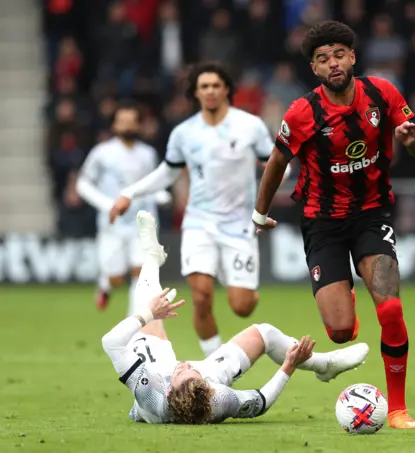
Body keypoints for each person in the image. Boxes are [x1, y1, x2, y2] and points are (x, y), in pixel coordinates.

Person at [252, 21, 415, 429]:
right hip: (322, 222)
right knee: (338, 332)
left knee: (390, 306)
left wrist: (412, 138)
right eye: (322, 59)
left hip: (371, 214)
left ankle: (399, 408)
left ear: (352, 57)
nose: (332, 63)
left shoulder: (382, 93)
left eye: (338, 54)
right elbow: (277, 162)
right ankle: (347, 310)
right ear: (314, 69)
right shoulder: (302, 112)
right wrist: (259, 212)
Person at [102, 210, 369, 424]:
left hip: (153, 375)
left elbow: (110, 342)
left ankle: (151, 257)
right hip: (186, 387)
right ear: (207, 386)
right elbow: (261, 402)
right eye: (190, 370)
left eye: (185, 371)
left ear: (170, 389)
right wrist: (288, 366)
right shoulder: (216, 400)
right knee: (262, 333)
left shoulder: (148, 390)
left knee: (148, 313)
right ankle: (324, 365)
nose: (183, 364)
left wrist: (149, 314)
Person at [109, 62, 290, 357]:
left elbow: (277, 165)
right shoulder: (185, 133)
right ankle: (215, 364)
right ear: (195, 92)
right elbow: (167, 173)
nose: (210, 91)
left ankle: (234, 279)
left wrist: (266, 200)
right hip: (199, 224)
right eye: (204, 86)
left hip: (239, 226)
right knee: (201, 296)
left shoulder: (249, 126)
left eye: (216, 85)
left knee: (242, 307)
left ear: (227, 90)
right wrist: (129, 192)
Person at [76, 100, 171, 313]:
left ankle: (134, 323)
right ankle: (105, 285)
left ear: (138, 126)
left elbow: (152, 183)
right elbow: (82, 184)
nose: (127, 126)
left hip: (142, 222)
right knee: (116, 277)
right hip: (113, 224)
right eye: (122, 122)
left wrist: (161, 195)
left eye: (131, 122)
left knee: (140, 272)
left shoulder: (148, 153)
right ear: (114, 126)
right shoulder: (101, 153)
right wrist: (106, 204)